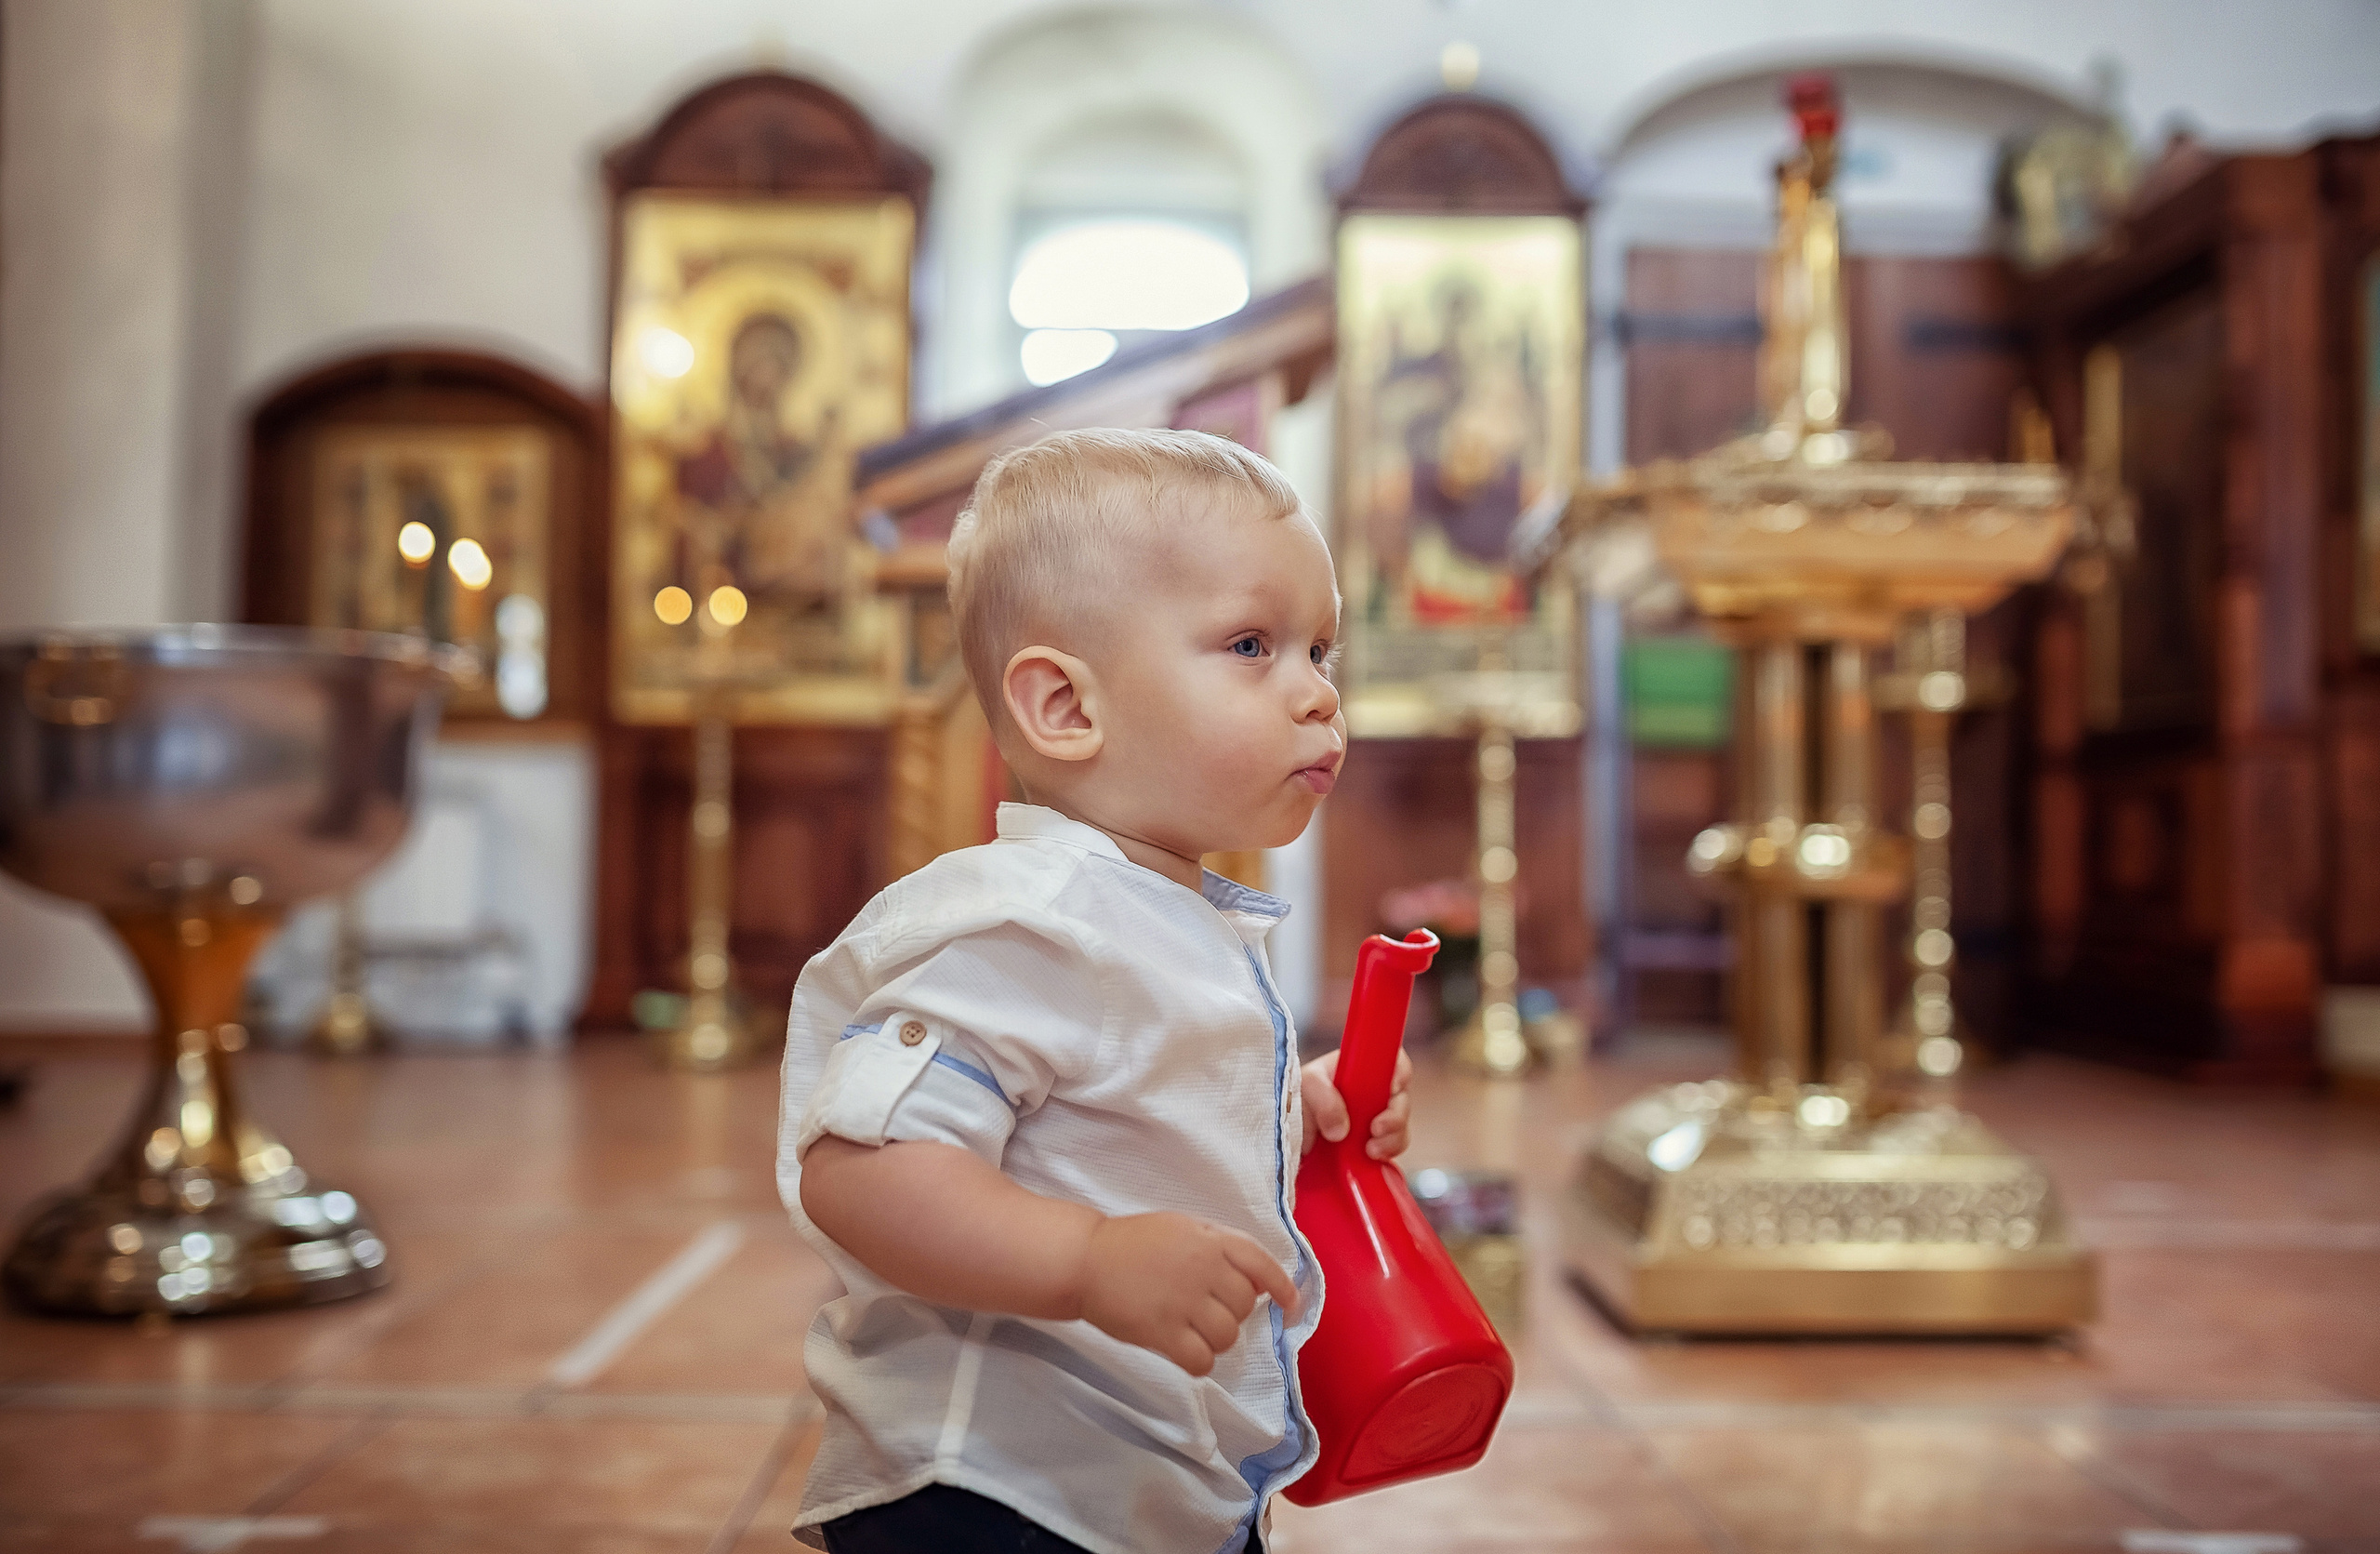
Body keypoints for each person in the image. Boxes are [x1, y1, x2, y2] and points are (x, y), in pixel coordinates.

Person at [777, 428, 1415, 1554]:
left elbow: (1131, 1114)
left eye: (1321, 650)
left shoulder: (1159, 912)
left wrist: (1297, 1112)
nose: (1318, 694)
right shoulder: (1031, 921)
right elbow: (859, 1171)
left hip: (1141, 1483)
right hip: (999, 1493)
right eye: (1252, 645)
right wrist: (1085, 1260)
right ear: (1067, 708)